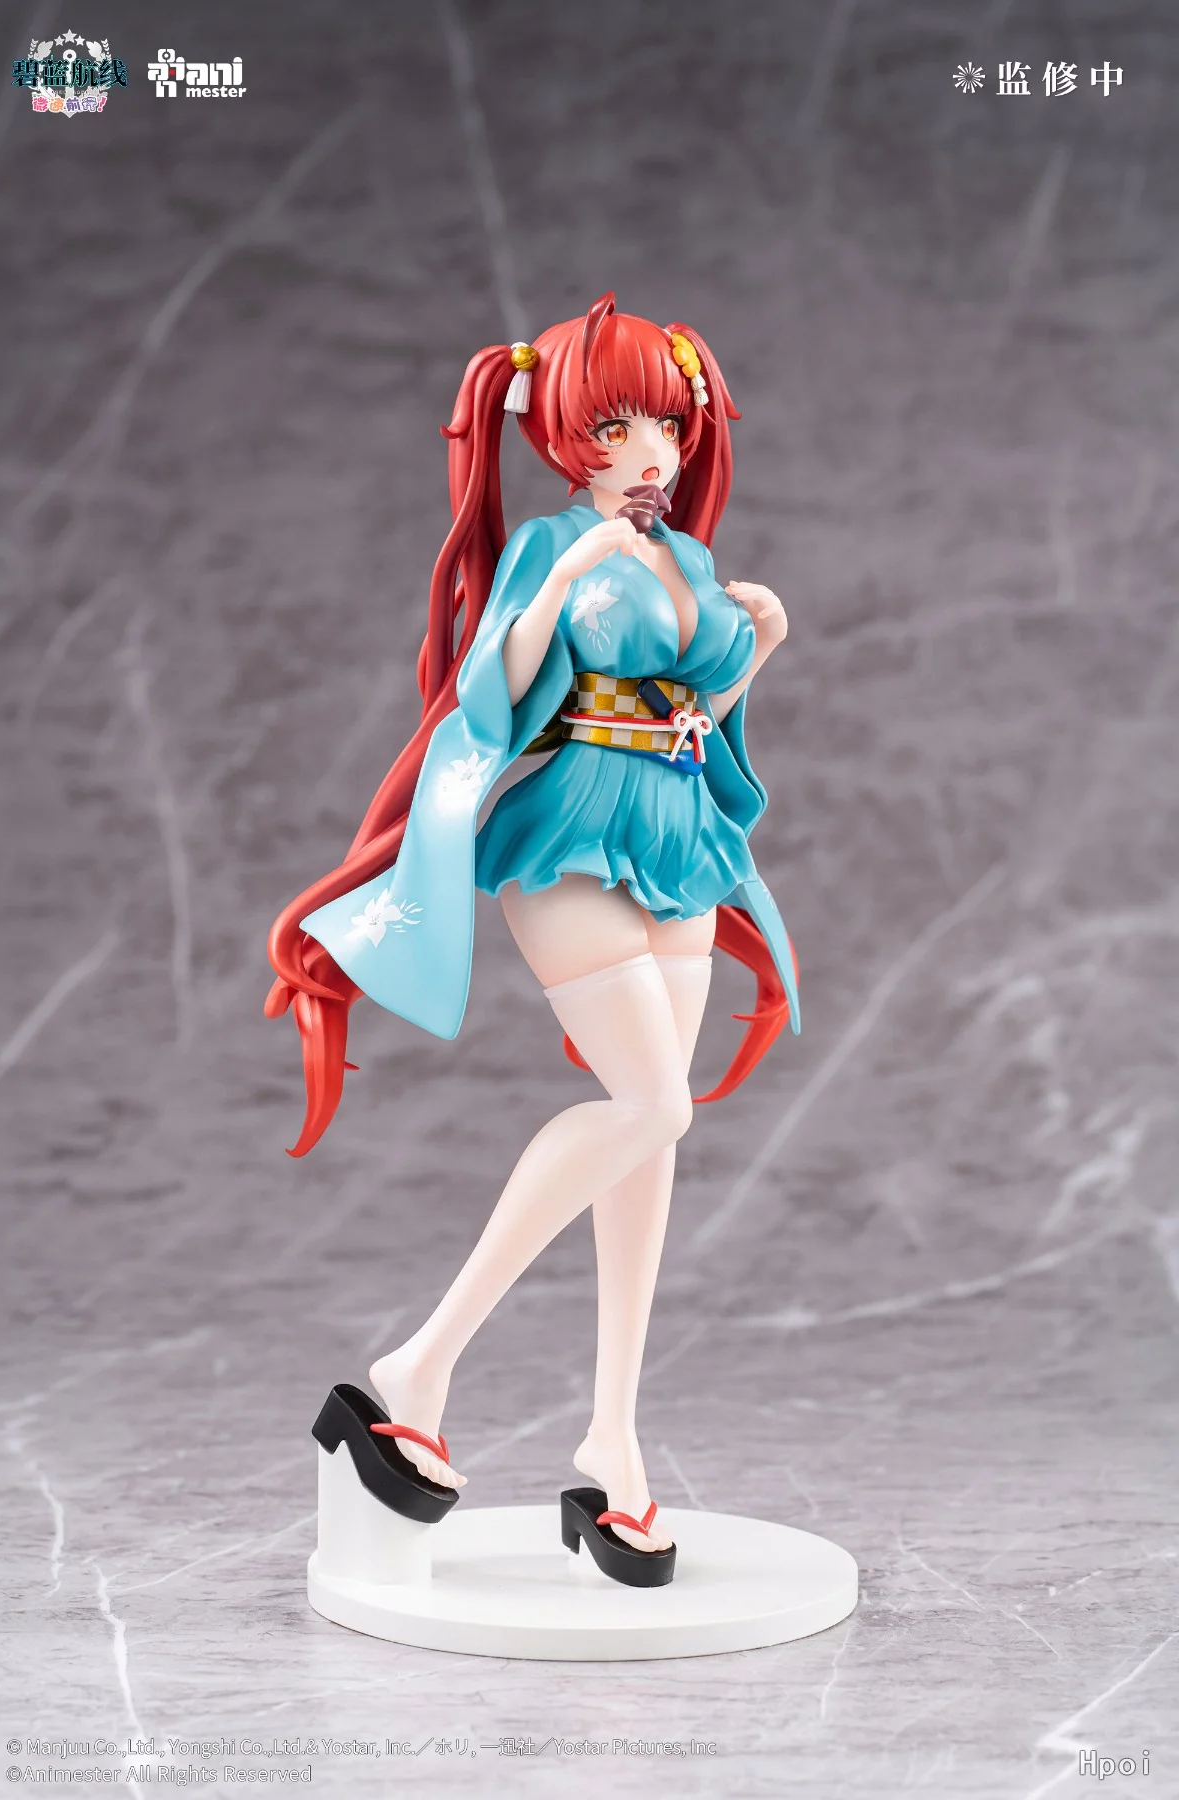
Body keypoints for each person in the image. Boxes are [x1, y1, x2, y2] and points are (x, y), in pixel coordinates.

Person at [267, 292, 798, 1575]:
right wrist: (557, 583)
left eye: (663, 425)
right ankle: (419, 1363)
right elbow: (489, 695)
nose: (647, 453)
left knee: (653, 1136)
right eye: (614, 429)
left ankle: (615, 1436)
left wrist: (758, 653)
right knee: (653, 1106)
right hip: (570, 829)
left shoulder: (689, 559)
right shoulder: (557, 545)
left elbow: (693, 708)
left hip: (675, 836)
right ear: (563, 436)